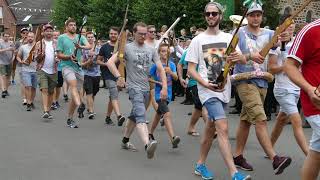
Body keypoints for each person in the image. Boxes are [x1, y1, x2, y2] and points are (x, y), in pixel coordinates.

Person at [186, 2, 250, 180]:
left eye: (214, 14)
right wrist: (205, 85)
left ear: (220, 16)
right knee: (222, 127)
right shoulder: (198, 40)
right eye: (208, 14)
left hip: (224, 89)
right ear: (205, 16)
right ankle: (234, 173)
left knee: (209, 129)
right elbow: (191, 69)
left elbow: (243, 60)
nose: (211, 17)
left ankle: (200, 165)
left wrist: (239, 57)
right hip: (207, 91)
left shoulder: (230, 37)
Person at [232, 2, 292, 174]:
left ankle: (237, 156)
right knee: (260, 118)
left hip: (263, 82)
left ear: (262, 16)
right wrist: (250, 56)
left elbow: (280, 46)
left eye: (258, 15)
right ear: (247, 16)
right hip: (245, 80)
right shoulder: (238, 34)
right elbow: (232, 57)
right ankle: (275, 158)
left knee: (246, 120)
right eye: (252, 14)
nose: (255, 18)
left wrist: (284, 38)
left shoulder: (269, 33)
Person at [107, 22, 167, 159]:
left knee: (135, 116)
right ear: (134, 33)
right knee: (141, 115)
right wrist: (119, 76)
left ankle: (125, 140)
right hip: (134, 88)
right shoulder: (126, 48)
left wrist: (164, 86)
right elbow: (110, 63)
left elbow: (160, 69)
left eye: (145, 34)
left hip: (146, 89)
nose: (143, 36)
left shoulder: (151, 49)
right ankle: (147, 144)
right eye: (140, 33)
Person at [284, 19, 320, 180]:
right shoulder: (310, 30)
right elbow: (289, 66)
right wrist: (309, 88)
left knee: (316, 152)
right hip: (316, 103)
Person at [268, 17, 308, 155]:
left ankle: (269, 147)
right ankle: (310, 156)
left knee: (281, 119)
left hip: (297, 89)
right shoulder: (276, 45)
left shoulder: (298, 43)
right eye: (287, 24)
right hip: (283, 90)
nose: (290, 27)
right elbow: (271, 68)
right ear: (281, 26)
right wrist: (286, 68)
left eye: (292, 24)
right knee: (296, 121)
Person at [56, 18, 91, 128]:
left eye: (74, 25)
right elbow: (59, 55)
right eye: (70, 25)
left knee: (76, 91)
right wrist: (68, 57)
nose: (73, 27)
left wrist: (80, 47)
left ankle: (70, 118)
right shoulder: (62, 38)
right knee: (73, 86)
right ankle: (80, 104)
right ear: (66, 27)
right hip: (66, 67)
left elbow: (89, 46)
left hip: (78, 68)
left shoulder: (80, 37)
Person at [148, 43, 181, 149]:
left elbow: (176, 78)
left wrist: (170, 72)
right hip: (159, 94)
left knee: (158, 114)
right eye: (162, 51)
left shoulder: (171, 64)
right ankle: (173, 138)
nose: (164, 53)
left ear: (168, 52)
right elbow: (147, 77)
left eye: (166, 51)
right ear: (159, 53)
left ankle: (150, 133)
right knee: (166, 114)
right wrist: (158, 83)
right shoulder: (155, 65)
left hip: (169, 93)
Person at [97, 26, 126, 126]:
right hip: (108, 74)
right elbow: (98, 60)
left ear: (118, 35)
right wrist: (106, 64)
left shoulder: (121, 47)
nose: (113, 35)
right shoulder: (104, 47)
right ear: (109, 35)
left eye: (115, 34)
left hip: (119, 74)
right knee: (114, 92)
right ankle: (119, 116)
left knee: (112, 97)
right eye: (111, 34)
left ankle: (108, 117)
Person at [35, 24, 58, 119]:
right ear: (43, 32)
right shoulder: (39, 43)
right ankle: (45, 110)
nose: (49, 32)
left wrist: (58, 58)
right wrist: (40, 55)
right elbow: (35, 58)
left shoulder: (56, 43)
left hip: (54, 70)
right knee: (44, 89)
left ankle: (48, 110)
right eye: (47, 31)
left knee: (51, 91)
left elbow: (60, 54)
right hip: (42, 69)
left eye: (50, 31)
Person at [81, 31, 101, 119]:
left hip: (97, 74)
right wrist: (87, 61)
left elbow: (101, 60)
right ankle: (91, 111)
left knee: (94, 92)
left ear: (94, 38)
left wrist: (95, 56)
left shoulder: (99, 49)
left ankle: (90, 107)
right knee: (89, 92)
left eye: (91, 37)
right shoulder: (83, 49)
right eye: (88, 37)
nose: (90, 38)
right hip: (87, 73)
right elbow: (81, 62)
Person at [16, 32, 37, 111]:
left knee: (34, 88)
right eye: (29, 37)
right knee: (28, 86)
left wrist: (37, 55)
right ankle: (28, 103)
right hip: (25, 70)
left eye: (32, 37)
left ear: (34, 37)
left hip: (35, 70)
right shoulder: (23, 47)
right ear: (26, 37)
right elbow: (18, 56)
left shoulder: (37, 47)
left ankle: (31, 101)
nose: (30, 38)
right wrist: (21, 61)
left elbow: (41, 58)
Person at [0, 33, 14, 98]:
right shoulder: (1, 43)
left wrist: (13, 58)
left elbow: (14, 51)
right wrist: (7, 49)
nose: (7, 37)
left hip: (9, 62)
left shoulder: (11, 43)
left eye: (8, 36)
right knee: (3, 76)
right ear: (3, 37)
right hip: (1, 62)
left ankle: (6, 90)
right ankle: (3, 91)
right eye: (5, 36)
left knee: (8, 76)